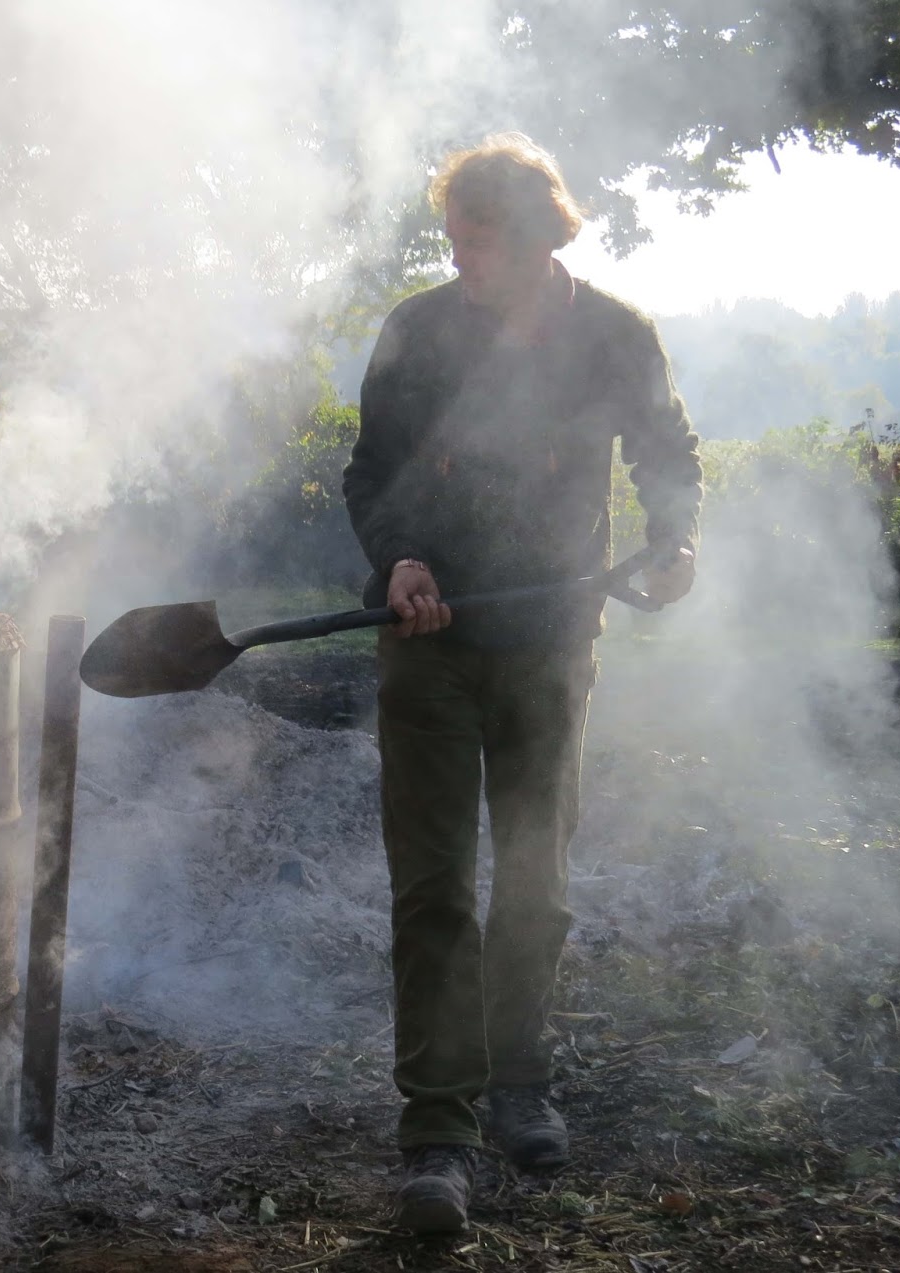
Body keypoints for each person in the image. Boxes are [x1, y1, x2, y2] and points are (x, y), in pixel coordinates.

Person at [342, 132, 703, 1234]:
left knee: (535, 889)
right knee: (437, 890)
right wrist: (397, 558)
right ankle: (438, 1132)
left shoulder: (612, 335)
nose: (459, 260)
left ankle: (518, 1084)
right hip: (429, 651)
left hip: (552, 644)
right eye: (451, 240)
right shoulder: (418, 331)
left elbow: (667, 450)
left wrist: (672, 538)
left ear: (543, 233)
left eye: (478, 241)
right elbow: (371, 472)